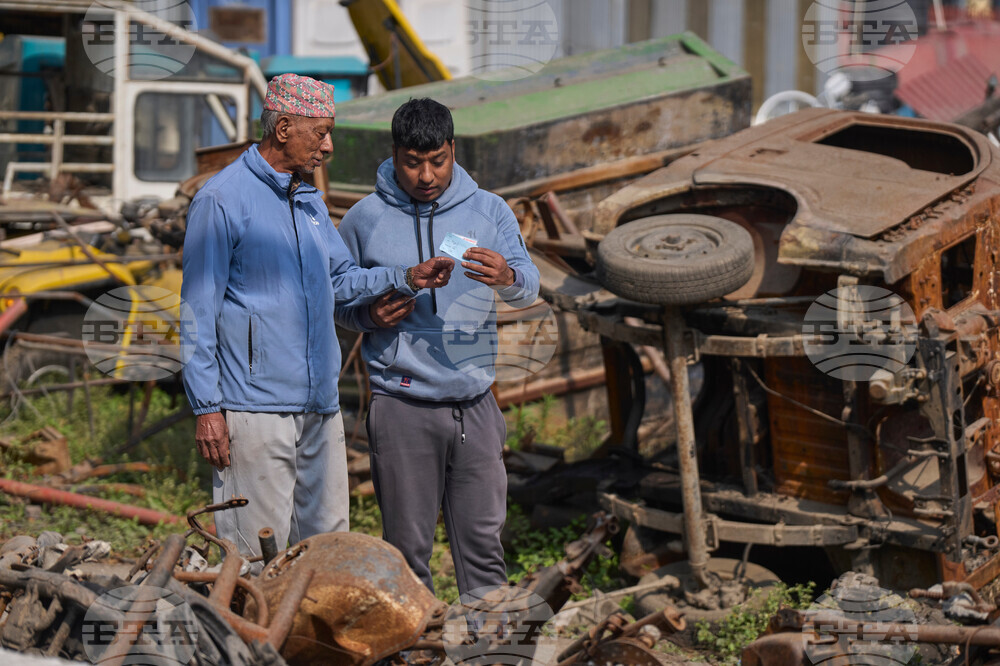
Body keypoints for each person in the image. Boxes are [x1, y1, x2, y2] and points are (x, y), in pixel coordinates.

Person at [181, 76, 453, 564]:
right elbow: (197, 312)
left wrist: (407, 276)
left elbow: (343, 279)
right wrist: (207, 409)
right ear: (284, 127)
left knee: (329, 557)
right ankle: (249, 642)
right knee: (252, 562)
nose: (328, 146)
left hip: (320, 408)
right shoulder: (222, 200)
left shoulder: (306, 200)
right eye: (320, 132)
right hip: (254, 410)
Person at [336, 97, 540, 595]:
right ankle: (414, 652)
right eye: (412, 162)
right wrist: (367, 315)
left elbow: (529, 285)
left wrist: (508, 276)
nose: (426, 175)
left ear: (452, 149)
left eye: (437, 160)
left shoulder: (489, 210)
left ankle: (488, 652)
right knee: (405, 557)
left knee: (484, 551)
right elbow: (335, 299)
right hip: (400, 405)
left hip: (475, 405)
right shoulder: (364, 218)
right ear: (394, 154)